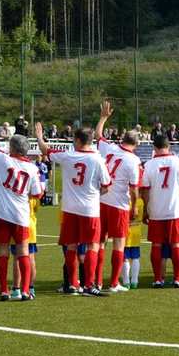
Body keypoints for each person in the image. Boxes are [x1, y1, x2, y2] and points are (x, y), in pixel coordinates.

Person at [35, 118, 112, 297]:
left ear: (76, 141)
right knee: (92, 245)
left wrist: (39, 137)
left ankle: (73, 284)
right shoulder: (99, 160)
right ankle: (88, 286)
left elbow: (46, 150)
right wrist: (93, 194)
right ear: (90, 141)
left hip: (69, 209)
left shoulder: (67, 156)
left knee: (71, 247)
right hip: (90, 209)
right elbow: (107, 186)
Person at [0, 101, 43, 301]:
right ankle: (25, 290)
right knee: (23, 251)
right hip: (21, 214)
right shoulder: (33, 169)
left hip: (0, 212)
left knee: (3, 251)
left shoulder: (3, 159)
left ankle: (4, 290)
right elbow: (38, 194)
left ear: (12, 148)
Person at [94, 101, 143, 293]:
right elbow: (134, 189)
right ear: (136, 144)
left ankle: (96, 280)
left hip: (102, 200)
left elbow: (98, 135)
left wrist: (104, 117)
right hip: (119, 205)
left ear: (122, 140)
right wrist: (135, 207)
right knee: (119, 243)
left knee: (99, 242)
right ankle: (114, 282)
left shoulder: (110, 148)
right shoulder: (134, 160)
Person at [139, 134, 179, 287]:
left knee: (156, 245)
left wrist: (146, 210)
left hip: (156, 210)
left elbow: (145, 191)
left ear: (154, 148)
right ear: (169, 146)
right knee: (176, 244)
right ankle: (178, 279)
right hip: (174, 210)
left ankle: (157, 279)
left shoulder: (148, 165)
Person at [9, 195, 39, 299]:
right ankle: (30, 288)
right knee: (30, 257)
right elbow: (36, 207)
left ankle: (16, 288)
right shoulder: (32, 186)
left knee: (17, 258)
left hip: (17, 222)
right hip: (30, 223)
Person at [121, 196, 145, 289]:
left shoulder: (125, 202)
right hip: (136, 234)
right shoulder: (140, 202)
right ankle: (135, 282)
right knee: (135, 257)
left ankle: (126, 281)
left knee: (125, 258)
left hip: (126, 234)